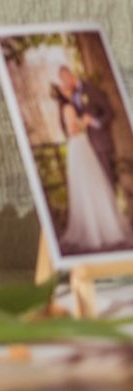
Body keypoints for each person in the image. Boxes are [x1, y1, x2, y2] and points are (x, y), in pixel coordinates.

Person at [53, 66, 131, 252]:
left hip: (98, 145)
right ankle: (99, 229)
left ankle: (109, 227)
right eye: (62, 82)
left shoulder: (91, 89)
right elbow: (70, 127)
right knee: (92, 188)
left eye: (66, 79)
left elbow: (109, 113)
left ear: (72, 75)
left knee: (105, 186)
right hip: (84, 148)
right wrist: (82, 123)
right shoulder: (69, 104)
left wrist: (93, 122)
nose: (65, 84)